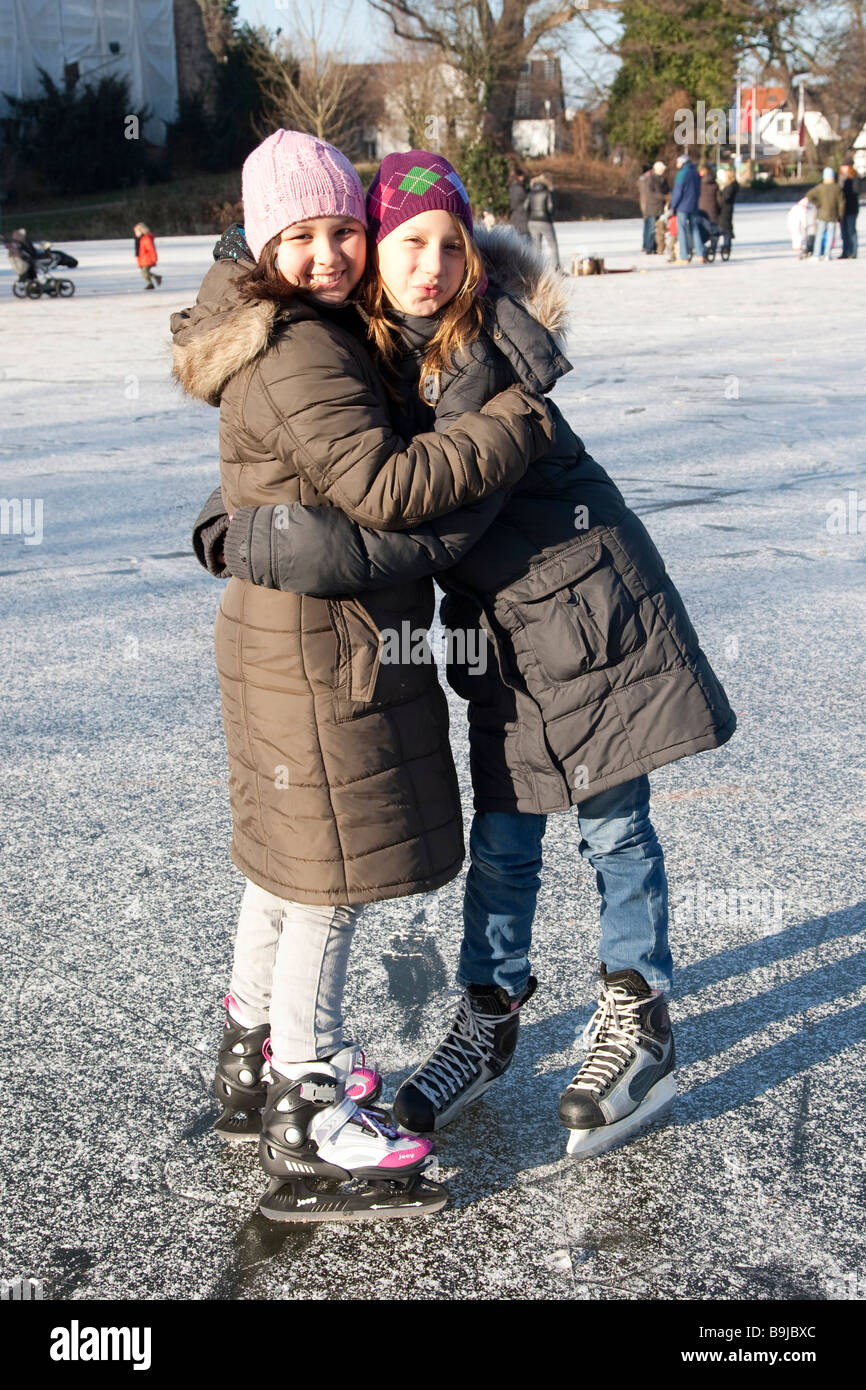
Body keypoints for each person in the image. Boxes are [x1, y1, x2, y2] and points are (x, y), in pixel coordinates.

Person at [194, 149, 736, 1163]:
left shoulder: (485, 356)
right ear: (374, 252)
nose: (431, 263)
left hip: (587, 613)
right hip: (499, 631)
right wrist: (241, 520)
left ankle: (639, 1012)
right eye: (407, 243)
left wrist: (262, 539)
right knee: (505, 838)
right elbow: (326, 449)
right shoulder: (370, 344)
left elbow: (429, 521)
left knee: (612, 823)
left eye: (450, 244)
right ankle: (488, 1017)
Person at [172, 131, 555, 1222]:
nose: (328, 254)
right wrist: (505, 429)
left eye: (342, 230)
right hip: (318, 653)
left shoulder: (295, 331)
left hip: (288, 639)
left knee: (283, 870)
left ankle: (253, 1049)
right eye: (298, 237)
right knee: (326, 884)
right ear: (260, 246)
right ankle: (312, 1099)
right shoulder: (303, 348)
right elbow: (384, 488)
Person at [524, 171, 561, 270]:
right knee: (553, 245)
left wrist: (531, 214)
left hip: (532, 222)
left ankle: (537, 269)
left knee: (536, 247)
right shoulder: (547, 192)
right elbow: (551, 207)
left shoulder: (531, 193)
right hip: (545, 221)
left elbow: (525, 206)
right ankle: (556, 268)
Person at [670, 153, 702, 262]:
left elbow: (677, 192)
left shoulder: (681, 174)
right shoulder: (695, 172)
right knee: (695, 229)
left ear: (683, 162)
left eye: (678, 162)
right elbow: (698, 190)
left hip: (682, 207)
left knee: (682, 230)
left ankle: (684, 256)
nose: (677, 164)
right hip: (693, 205)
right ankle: (700, 254)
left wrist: (673, 206)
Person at [807, 168, 844, 261]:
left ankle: (816, 254)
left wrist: (817, 203)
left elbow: (809, 195)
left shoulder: (820, 187)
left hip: (822, 214)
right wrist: (841, 215)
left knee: (819, 234)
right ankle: (827, 254)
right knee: (830, 235)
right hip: (833, 215)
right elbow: (841, 203)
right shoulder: (837, 188)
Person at [638, 160, 668, 254]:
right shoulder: (650, 179)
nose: (663, 171)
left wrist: (669, 196)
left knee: (656, 229)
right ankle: (649, 247)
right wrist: (663, 197)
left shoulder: (662, 179)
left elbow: (667, 190)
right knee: (650, 229)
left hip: (659, 207)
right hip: (651, 207)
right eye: (662, 169)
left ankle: (654, 247)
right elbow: (650, 193)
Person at [839, 162, 860, 259]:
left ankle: (853, 251)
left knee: (851, 231)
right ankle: (845, 251)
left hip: (851, 209)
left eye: (845, 166)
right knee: (844, 232)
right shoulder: (839, 178)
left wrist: (843, 194)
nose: (843, 168)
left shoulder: (854, 178)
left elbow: (855, 191)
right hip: (842, 209)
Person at [133, 223, 161, 289]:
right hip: (143, 259)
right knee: (144, 273)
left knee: (145, 272)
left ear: (142, 231)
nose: (136, 233)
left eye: (137, 231)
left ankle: (151, 283)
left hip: (148, 259)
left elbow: (151, 249)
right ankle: (155, 279)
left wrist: (154, 257)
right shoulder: (139, 239)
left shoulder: (146, 239)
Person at [717, 168, 738, 258]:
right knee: (725, 227)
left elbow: (726, 198)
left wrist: (720, 196)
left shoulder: (731, 186)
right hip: (725, 209)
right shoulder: (730, 185)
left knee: (726, 227)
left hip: (726, 209)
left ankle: (726, 246)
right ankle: (726, 245)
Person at [508, 166, 530, 241]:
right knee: (525, 241)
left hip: (516, 216)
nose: (523, 178)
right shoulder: (519, 188)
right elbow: (526, 200)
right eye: (522, 176)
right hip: (522, 217)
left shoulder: (512, 187)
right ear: (519, 176)